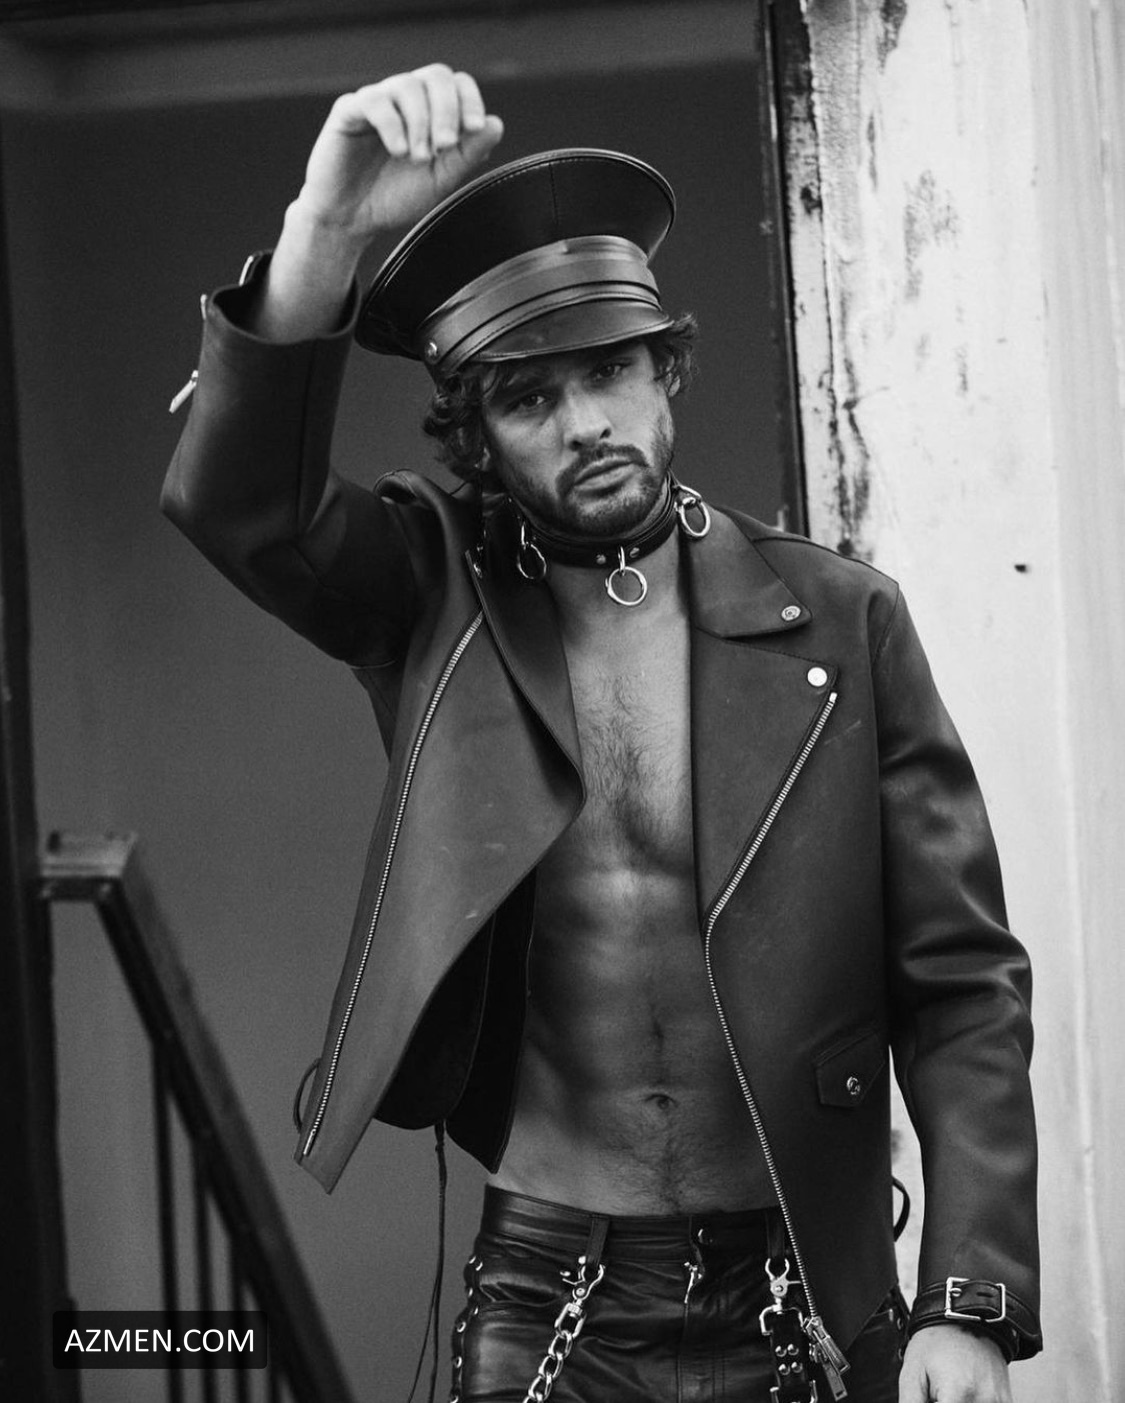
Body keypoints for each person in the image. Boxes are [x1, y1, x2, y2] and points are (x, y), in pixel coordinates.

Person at [162, 63, 1041, 1403]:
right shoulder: (432, 593)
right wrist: (324, 230)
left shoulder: (836, 620)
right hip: (551, 1284)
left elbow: (960, 980)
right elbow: (242, 509)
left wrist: (968, 1302)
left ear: (663, 368)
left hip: (802, 1279)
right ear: (475, 434)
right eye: (528, 399)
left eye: (611, 373)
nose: (585, 426)